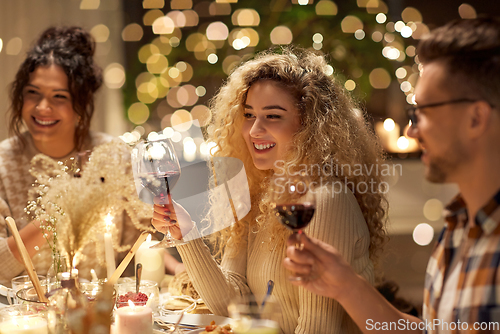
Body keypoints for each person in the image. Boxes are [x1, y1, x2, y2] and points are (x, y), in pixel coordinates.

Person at [283, 17, 500, 334]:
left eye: (422, 112)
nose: (412, 130)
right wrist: (347, 286)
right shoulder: (460, 226)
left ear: (475, 117)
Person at [152, 47, 388, 333]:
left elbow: (317, 329)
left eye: (273, 116)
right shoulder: (259, 191)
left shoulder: (324, 201)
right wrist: (186, 234)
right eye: (249, 114)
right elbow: (231, 305)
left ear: (308, 125)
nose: (253, 130)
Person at [0, 26, 159, 285]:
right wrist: (63, 208)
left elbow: (142, 241)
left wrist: (180, 270)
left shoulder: (113, 155)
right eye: (33, 93)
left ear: (81, 106)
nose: (42, 107)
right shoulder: (3, 163)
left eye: (59, 97)